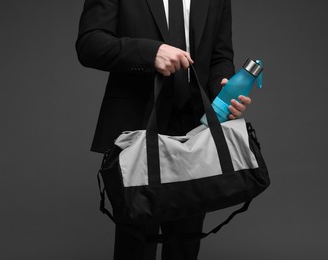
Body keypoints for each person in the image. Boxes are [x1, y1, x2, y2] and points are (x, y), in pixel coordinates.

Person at [76, 0, 252, 259]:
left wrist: (223, 91)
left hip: (195, 132)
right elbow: (89, 44)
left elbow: (219, 56)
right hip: (136, 128)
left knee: (185, 244)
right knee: (135, 245)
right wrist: (151, 53)